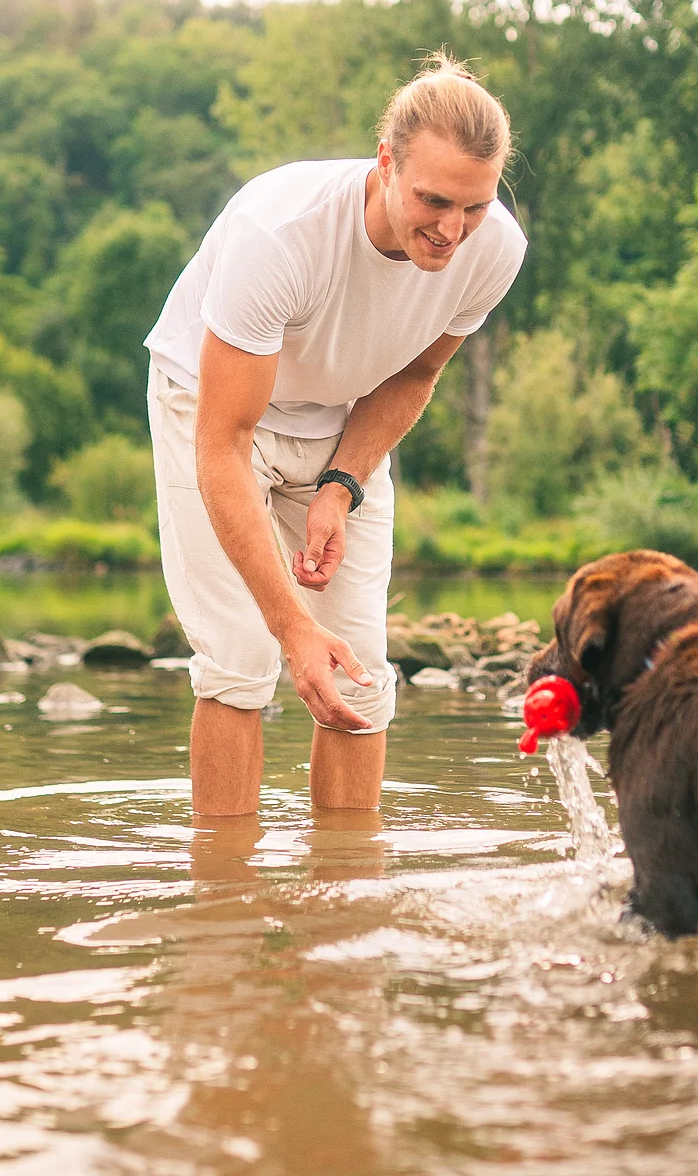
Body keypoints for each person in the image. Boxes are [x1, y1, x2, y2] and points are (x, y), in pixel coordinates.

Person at [143, 57, 525, 816]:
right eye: (433, 200)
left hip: (342, 418)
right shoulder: (280, 234)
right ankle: (226, 879)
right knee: (243, 660)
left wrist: (342, 485)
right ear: (386, 162)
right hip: (212, 409)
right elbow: (223, 443)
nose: (451, 230)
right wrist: (292, 629)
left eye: (475, 206)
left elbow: (416, 375)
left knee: (360, 672)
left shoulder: (495, 251)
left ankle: (346, 882)